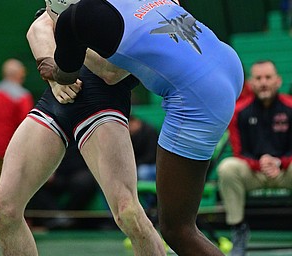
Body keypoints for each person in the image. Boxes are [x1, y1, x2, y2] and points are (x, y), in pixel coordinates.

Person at [38, 0, 244, 255]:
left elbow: (69, 76)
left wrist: (53, 66)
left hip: (199, 95)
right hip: (225, 62)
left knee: (177, 230)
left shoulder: (73, 18)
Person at [0, 9, 166, 256]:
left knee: (128, 213)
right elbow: (38, 28)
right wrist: (57, 77)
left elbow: (111, 72)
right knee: (2, 207)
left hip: (103, 105)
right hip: (56, 100)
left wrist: (68, 31)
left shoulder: (149, 9)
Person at [217, 60, 292, 256]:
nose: (264, 82)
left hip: (286, 171)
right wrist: (259, 163)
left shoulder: (290, 107)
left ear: (278, 80)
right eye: (258, 78)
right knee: (228, 167)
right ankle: (239, 231)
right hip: (253, 173)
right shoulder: (239, 111)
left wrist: (279, 162)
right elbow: (239, 152)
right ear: (251, 83)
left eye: (268, 77)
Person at [0, 59, 34, 191]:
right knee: (10, 188)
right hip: (11, 149)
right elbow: (25, 126)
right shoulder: (22, 96)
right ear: (19, 74)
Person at [27, 144, 99, 230]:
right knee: (33, 181)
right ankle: (55, 217)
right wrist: (45, 168)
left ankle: (68, 218)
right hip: (51, 171)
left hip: (76, 170)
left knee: (86, 181)